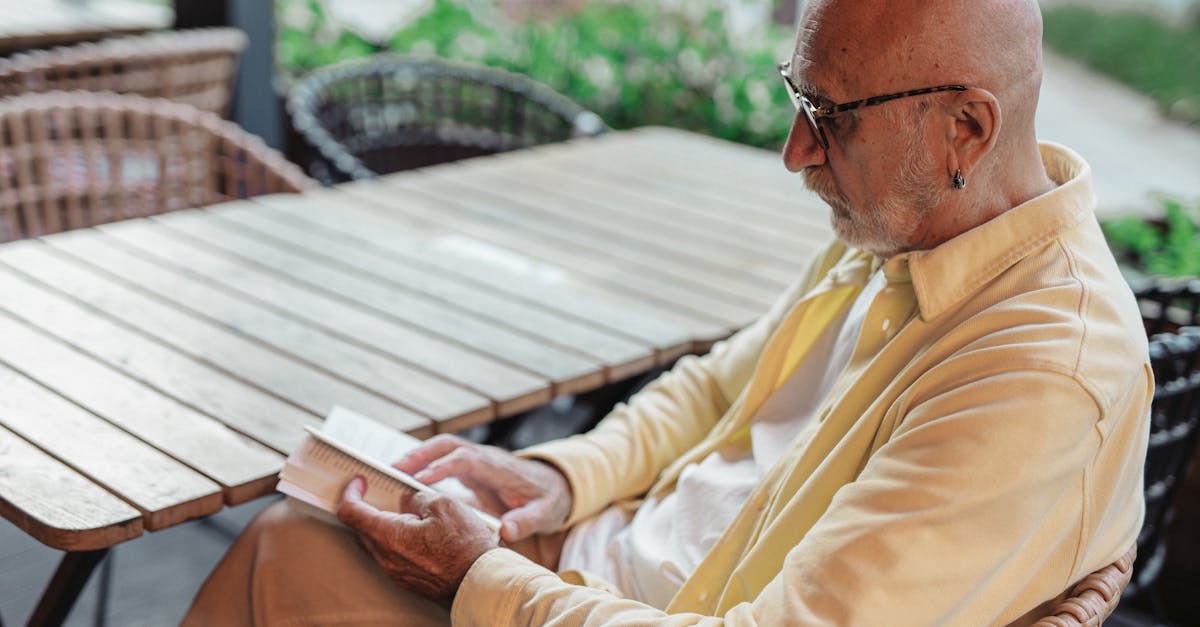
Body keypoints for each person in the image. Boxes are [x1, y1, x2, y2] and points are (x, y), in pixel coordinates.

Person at [185, 0, 1152, 624]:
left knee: (285, 552)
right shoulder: (915, 220)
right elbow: (715, 389)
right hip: (602, 566)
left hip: (632, 604)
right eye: (796, 97)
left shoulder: (1040, 372)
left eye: (830, 115)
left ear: (965, 131)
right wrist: (554, 477)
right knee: (308, 528)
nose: (794, 151)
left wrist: (483, 578)